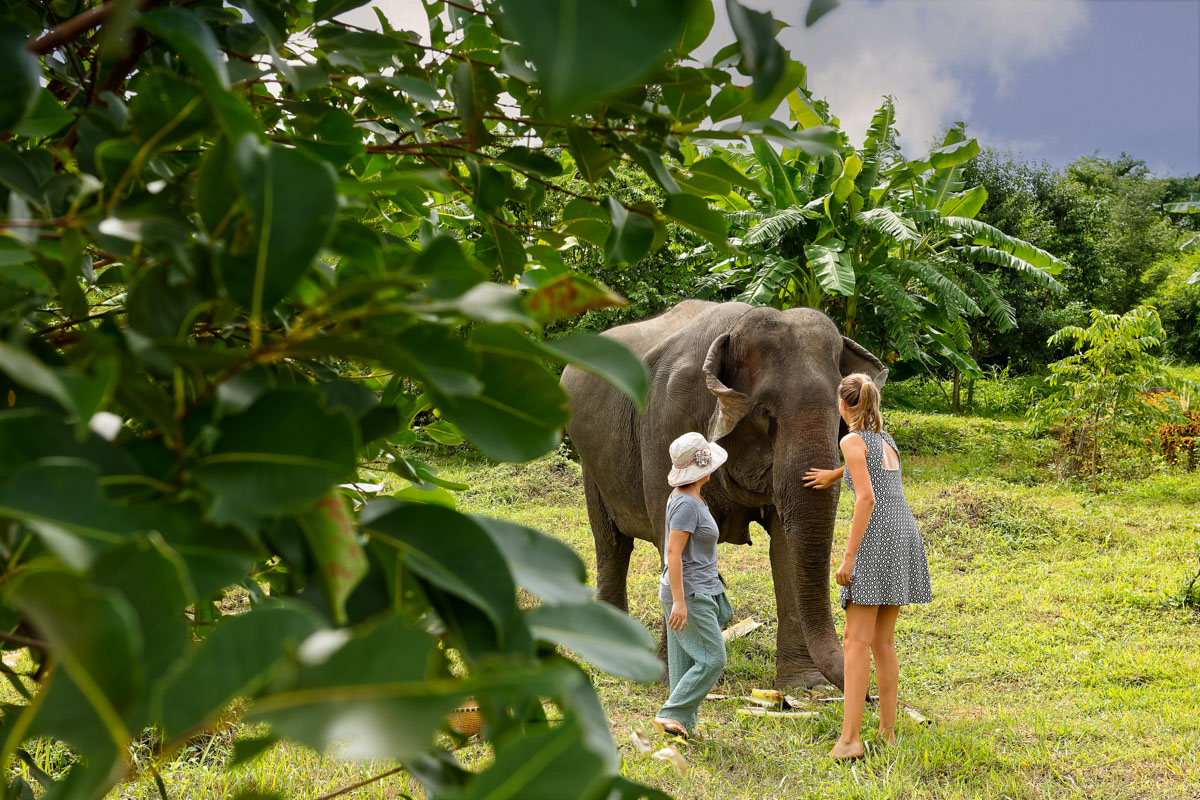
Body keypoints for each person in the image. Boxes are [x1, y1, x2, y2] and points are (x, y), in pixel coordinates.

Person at [803, 373, 932, 760]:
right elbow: (868, 467)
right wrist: (836, 473)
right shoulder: (886, 440)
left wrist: (848, 557)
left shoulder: (850, 439)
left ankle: (850, 740)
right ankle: (887, 732)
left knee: (854, 642)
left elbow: (866, 498)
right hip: (905, 533)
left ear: (843, 406)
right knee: (883, 641)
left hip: (877, 538)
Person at [653, 431, 733, 739]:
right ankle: (670, 714)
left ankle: (682, 723)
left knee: (683, 661)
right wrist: (680, 602)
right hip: (688, 592)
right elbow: (673, 552)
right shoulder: (687, 503)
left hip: (692, 588)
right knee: (714, 659)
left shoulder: (688, 496)